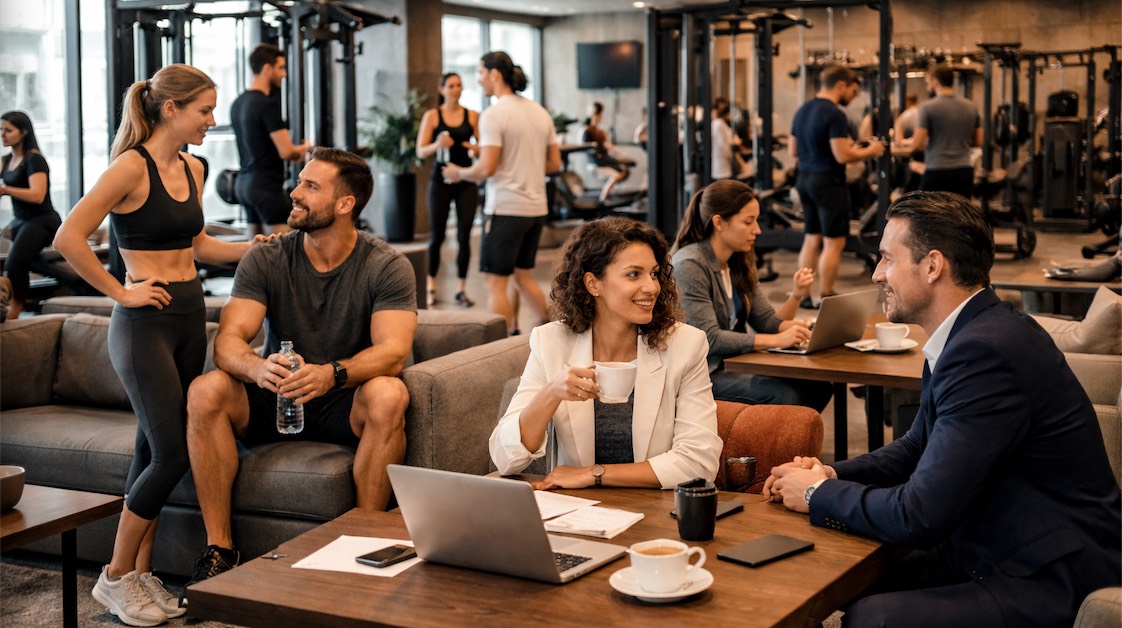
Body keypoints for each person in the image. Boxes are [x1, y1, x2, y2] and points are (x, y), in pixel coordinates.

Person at [764, 191, 1122, 627]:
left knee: (874, 617)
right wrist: (833, 474)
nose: (877, 274)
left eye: (887, 259)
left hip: (1049, 570)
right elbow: (918, 444)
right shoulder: (975, 332)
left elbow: (919, 515)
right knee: (831, 576)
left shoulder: (982, 352)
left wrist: (815, 493)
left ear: (933, 266)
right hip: (998, 542)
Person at [52, 64, 267, 626]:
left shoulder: (194, 167)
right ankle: (117, 575)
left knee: (151, 448)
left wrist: (255, 246)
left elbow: (198, 245)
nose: (211, 121)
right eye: (204, 110)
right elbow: (69, 236)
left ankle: (139, 577)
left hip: (190, 315)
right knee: (172, 453)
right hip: (143, 324)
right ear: (171, 109)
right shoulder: (129, 167)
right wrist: (120, 292)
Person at [183, 146, 417, 600]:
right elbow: (228, 340)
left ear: (346, 204)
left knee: (389, 393)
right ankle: (220, 551)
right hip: (276, 395)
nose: (295, 191)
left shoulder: (386, 265)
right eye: (299, 181)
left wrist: (332, 372)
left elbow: (394, 352)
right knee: (206, 389)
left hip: (340, 397)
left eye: (311, 186)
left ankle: (362, 540)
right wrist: (256, 367)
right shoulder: (267, 257)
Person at [490, 217, 722, 489]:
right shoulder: (551, 342)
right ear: (593, 283)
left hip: (656, 512)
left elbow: (699, 463)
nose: (652, 287)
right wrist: (551, 393)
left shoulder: (685, 345)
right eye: (634, 274)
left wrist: (594, 474)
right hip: (578, 515)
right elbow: (505, 459)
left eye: (654, 273)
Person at [671, 180, 832, 411]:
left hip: (733, 365)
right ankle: (769, 447)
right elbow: (710, 339)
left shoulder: (737, 260)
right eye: (748, 222)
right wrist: (777, 340)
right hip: (703, 374)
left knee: (818, 387)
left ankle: (789, 447)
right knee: (780, 395)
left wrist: (802, 329)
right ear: (719, 222)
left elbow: (767, 321)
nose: (757, 229)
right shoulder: (689, 266)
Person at [442, 51, 561, 336]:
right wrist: (525, 167)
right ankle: (558, 332)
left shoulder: (494, 115)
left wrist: (458, 172)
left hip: (506, 209)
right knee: (522, 276)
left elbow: (487, 167)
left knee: (494, 283)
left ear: (495, 74)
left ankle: (499, 349)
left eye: (481, 73)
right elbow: (554, 163)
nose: (479, 80)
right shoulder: (539, 112)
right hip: (535, 209)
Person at [790, 65, 886, 308]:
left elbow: (793, 150)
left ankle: (802, 295)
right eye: (853, 90)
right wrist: (871, 150)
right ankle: (824, 294)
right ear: (841, 85)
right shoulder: (834, 114)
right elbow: (842, 155)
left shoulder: (802, 110)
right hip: (829, 182)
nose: (853, 96)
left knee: (812, 238)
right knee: (834, 242)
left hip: (805, 178)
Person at [416, 72, 479, 308]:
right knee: (437, 236)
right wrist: (437, 144)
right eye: (451, 85)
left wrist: (474, 148)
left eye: (459, 85)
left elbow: (483, 147)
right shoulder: (433, 115)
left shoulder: (472, 115)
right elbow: (420, 151)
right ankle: (431, 285)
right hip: (440, 182)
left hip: (466, 181)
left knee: (464, 236)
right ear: (442, 89)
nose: (456, 89)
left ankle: (461, 289)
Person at [230, 43, 308, 236]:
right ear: (267, 69)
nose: (284, 74)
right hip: (265, 187)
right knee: (282, 253)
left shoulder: (238, 103)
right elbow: (287, 151)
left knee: (255, 253)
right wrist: (306, 147)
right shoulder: (267, 105)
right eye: (280, 68)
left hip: (243, 185)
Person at [1, 111, 61, 319]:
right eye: (1, 130)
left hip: (42, 221)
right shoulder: (6, 160)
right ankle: (77, 281)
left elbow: (37, 195)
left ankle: (16, 308)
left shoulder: (34, 159)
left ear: (24, 132)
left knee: (14, 263)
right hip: (21, 221)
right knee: (19, 261)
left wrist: (6, 190)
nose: (3, 135)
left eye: (8, 130)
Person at [910, 64, 982, 198]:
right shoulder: (971, 106)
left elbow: (917, 144)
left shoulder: (927, 107)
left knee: (928, 216)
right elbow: (979, 140)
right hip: (964, 171)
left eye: (927, 81)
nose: (926, 85)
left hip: (937, 171)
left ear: (935, 81)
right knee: (959, 216)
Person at [581, 101, 632, 202]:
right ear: (592, 115)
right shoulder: (586, 131)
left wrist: (617, 153)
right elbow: (585, 147)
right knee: (617, 174)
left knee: (623, 170)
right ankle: (603, 199)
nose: (599, 117)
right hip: (595, 161)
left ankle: (607, 197)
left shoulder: (601, 132)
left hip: (603, 158)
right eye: (597, 115)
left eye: (599, 115)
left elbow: (607, 144)